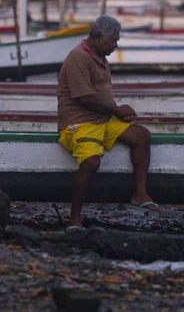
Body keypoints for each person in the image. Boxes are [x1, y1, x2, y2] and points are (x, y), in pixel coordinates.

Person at [57, 15, 159, 231]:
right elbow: (84, 98)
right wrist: (117, 110)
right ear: (99, 37)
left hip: (103, 119)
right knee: (91, 163)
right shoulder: (78, 58)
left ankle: (139, 195)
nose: (115, 45)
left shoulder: (100, 57)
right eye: (113, 40)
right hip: (80, 121)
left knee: (141, 136)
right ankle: (74, 219)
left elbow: (100, 96)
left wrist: (116, 113)